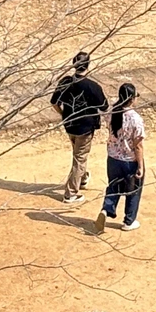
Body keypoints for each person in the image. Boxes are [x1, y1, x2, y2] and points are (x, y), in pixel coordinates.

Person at [49, 52, 107, 203]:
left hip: (69, 125)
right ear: (88, 65)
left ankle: (81, 178)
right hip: (85, 127)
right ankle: (71, 193)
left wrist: (63, 115)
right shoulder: (92, 87)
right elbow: (104, 106)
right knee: (79, 158)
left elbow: (54, 102)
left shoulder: (65, 82)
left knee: (78, 154)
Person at [98, 82, 146, 232]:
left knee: (113, 186)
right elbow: (138, 145)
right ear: (132, 99)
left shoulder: (112, 112)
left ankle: (106, 209)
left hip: (113, 158)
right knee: (133, 191)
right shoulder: (135, 119)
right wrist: (140, 165)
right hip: (129, 160)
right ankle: (129, 221)